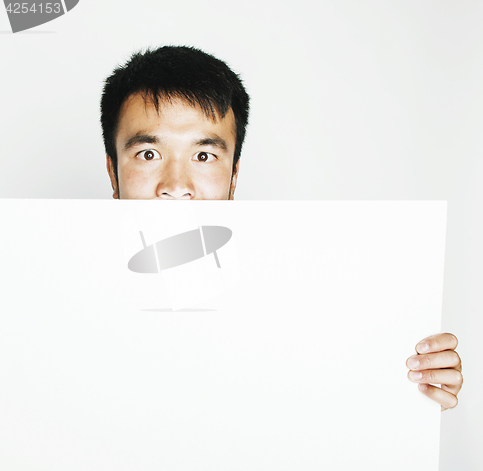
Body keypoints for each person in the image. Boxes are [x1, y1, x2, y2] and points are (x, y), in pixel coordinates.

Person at [100, 45, 463, 411]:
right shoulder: (55, 308)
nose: (177, 185)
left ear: (234, 175)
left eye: (204, 155)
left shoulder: (315, 301)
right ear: (113, 171)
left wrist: (418, 387)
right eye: (148, 154)